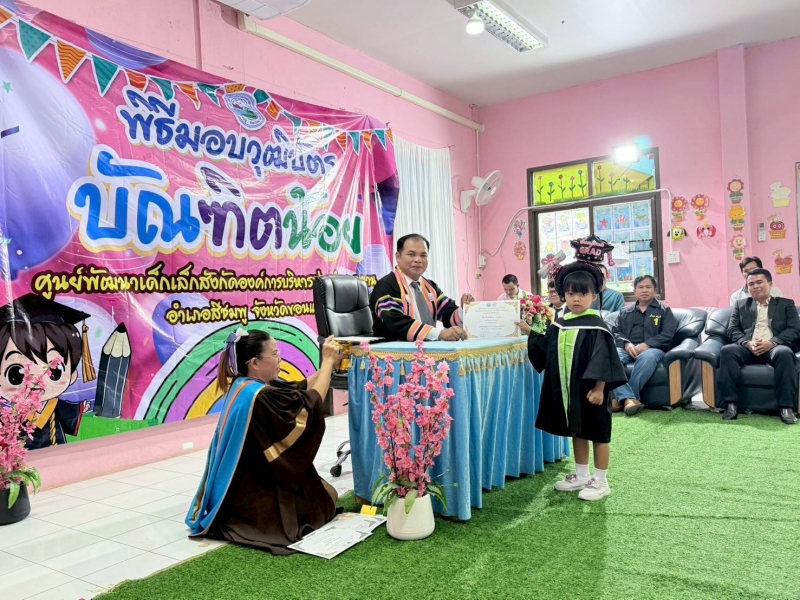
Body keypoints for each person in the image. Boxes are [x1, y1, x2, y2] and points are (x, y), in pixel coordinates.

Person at [187, 330, 344, 553]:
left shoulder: (245, 385)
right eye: (275, 353)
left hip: (245, 481)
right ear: (255, 363)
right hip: (258, 490)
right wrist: (327, 362)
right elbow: (307, 408)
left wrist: (329, 366)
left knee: (326, 494)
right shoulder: (259, 396)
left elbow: (298, 391)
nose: (280, 358)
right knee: (326, 501)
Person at [522, 255, 627, 501]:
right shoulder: (561, 324)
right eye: (570, 294)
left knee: (598, 434)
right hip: (571, 391)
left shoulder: (596, 326)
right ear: (564, 295)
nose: (576, 299)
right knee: (577, 431)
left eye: (582, 294)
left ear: (594, 296)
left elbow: (605, 359)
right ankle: (581, 475)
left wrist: (600, 389)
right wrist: (530, 332)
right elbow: (546, 348)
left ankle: (600, 480)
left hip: (592, 392)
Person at [0, 294, 90, 449]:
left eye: (55, 372)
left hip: (55, 449)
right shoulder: (7, 411)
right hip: (19, 455)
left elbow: (68, 413)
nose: (37, 380)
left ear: (72, 375)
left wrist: (82, 408)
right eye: (15, 375)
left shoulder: (54, 404)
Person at [719, 268, 799, 425]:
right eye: (751, 284)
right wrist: (747, 343)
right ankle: (730, 404)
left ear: (770, 284)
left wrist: (773, 342)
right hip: (748, 347)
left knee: (784, 353)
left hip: (774, 347)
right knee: (727, 350)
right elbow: (732, 329)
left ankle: (786, 407)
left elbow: (794, 330)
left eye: (759, 282)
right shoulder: (741, 304)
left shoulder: (786, 304)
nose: (755, 286)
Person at [370, 234, 474, 342]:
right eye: (411, 254)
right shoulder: (386, 285)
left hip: (429, 349)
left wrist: (464, 309)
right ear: (398, 257)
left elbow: (448, 314)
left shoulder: (430, 287)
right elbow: (395, 322)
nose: (418, 260)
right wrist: (439, 334)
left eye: (423, 255)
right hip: (393, 350)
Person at [611, 275, 677, 416]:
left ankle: (626, 398)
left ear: (655, 290)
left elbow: (668, 334)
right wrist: (626, 344)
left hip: (653, 349)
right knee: (611, 356)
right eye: (640, 287)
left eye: (648, 287)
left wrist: (647, 344)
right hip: (627, 348)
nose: (644, 290)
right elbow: (616, 331)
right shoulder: (625, 311)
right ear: (634, 291)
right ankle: (629, 400)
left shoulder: (664, 310)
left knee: (648, 357)